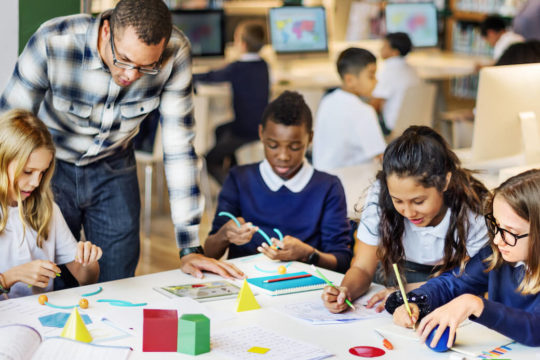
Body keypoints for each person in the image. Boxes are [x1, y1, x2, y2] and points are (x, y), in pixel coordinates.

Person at [322, 126, 489, 313]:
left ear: (445, 182)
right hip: (394, 276)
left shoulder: (472, 211)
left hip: (449, 284)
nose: (409, 213)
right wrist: (345, 291)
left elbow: (468, 279)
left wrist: (406, 293)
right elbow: (362, 267)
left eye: (418, 201)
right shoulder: (380, 195)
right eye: (398, 201)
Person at [204, 91, 353, 273]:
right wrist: (224, 235)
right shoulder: (239, 179)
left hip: (302, 287)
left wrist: (308, 254)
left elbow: (342, 260)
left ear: (310, 139)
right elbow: (208, 254)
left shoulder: (328, 186)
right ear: (261, 134)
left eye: (295, 147)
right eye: (273, 145)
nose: (283, 156)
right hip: (245, 288)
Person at [390, 169, 540, 347]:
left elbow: (535, 329)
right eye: (496, 225)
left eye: (511, 232)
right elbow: (452, 283)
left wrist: (475, 304)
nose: (498, 239)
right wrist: (416, 302)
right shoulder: (497, 256)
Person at [0, 109, 102, 299]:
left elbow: (86, 279)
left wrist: (88, 262)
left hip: (40, 317)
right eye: (28, 171)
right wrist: (10, 277)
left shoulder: (47, 210)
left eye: (42, 173)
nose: (36, 183)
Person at [194, 21, 269, 184]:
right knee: (220, 130)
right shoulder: (263, 65)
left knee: (209, 160)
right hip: (258, 125)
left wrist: (189, 76)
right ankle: (235, 173)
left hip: (244, 130)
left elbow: (212, 77)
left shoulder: (238, 67)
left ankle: (236, 191)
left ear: (241, 45)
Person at [312, 48, 386, 172]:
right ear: (350, 80)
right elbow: (381, 156)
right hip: (351, 181)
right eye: (371, 75)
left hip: (323, 177)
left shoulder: (327, 101)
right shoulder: (363, 111)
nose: (376, 81)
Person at [370, 32, 421, 135]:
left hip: (394, 128)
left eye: (384, 46)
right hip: (416, 125)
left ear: (395, 52)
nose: (380, 49)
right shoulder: (413, 70)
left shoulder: (388, 71)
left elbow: (375, 105)